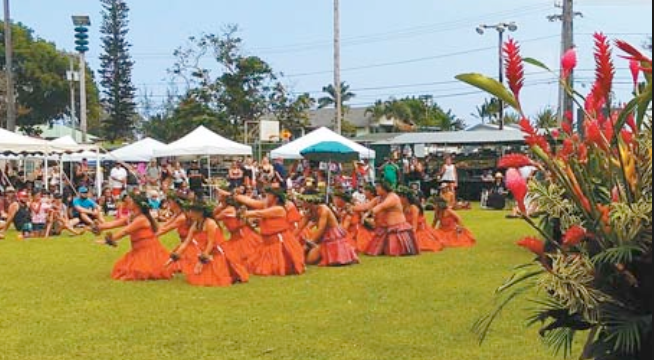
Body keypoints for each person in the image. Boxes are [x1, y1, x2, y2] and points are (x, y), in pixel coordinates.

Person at [167, 201, 249, 287]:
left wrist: (202, 260)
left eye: (193, 212)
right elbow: (186, 241)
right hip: (208, 252)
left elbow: (211, 242)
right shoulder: (196, 224)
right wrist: (175, 255)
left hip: (219, 252)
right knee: (198, 276)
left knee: (215, 278)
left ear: (201, 213)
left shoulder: (210, 223)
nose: (190, 214)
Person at [95, 193, 174, 281]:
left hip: (148, 251)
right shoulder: (132, 217)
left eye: (130, 201)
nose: (127, 202)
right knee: (122, 269)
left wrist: (109, 239)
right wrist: (97, 227)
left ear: (136, 204)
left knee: (137, 272)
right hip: (137, 250)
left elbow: (125, 231)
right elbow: (114, 223)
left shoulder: (141, 219)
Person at [230, 187, 305, 276]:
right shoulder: (267, 206)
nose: (266, 197)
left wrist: (243, 213)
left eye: (269, 195)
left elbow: (259, 213)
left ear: (276, 198)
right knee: (253, 265)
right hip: (267, 242)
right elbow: (250, 202)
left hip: (279, 242)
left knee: (274, 268)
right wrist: (236, 196)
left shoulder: (279, 209)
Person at [353, 181, 420, 257]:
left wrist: (368, 213)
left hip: (396, 228)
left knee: (393, 251)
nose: (376, 189)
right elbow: (365, 206)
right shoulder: (378, 198)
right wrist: (351, 208)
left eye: (378, 186)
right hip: (384, 228)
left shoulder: (393, 197)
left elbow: (382, 206)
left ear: (384, 188)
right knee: (372, 251)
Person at [300, 195, 359, 267]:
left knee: (310, 260)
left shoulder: (324, 209)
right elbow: (299, 228)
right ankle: (317, 250)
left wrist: (311, 242)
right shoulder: (309, 212)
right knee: (308, 260)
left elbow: (321, 229)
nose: (301, 204)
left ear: (310, 202)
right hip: (321, 237)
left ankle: (319, 250)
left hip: (332, 236)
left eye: (303, 202)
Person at [215, 196, 262, 263]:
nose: (220, 203)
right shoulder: (232, 209)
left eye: (221, 202)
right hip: (239, 234)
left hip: (241, 235)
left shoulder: (228, 210)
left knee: (245, 256)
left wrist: (218, 207)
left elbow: (215, 217)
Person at [397, 186, 444, 253]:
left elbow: (414, 225)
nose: (398, 199)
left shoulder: (413, 208)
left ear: (405, 198)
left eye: (400, 197)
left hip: (418, 231)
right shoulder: (403, 208)